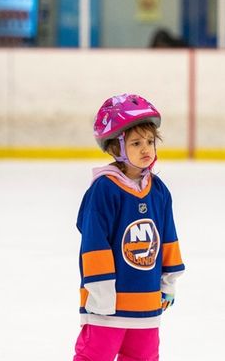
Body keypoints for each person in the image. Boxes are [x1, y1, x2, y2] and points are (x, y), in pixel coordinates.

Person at [74, 93, 185, 361]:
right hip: (107, 306)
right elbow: (94, 242)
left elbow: (168, 238)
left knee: (143, 357)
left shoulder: (159, 191)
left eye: (150, 141)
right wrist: (100, 291)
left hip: (147, 303)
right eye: (136, 143)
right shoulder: (104, 189)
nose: (146, 149)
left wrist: (168, 282)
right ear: (115, 149)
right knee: (94, 356)